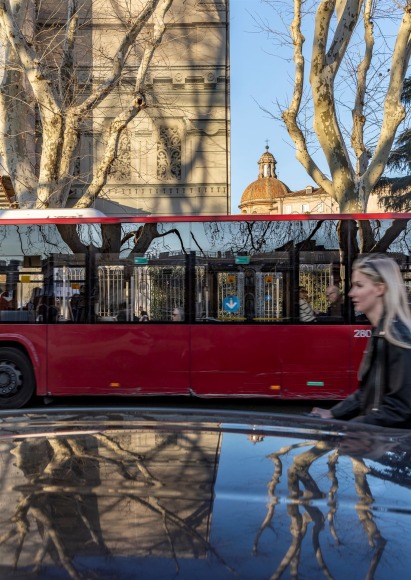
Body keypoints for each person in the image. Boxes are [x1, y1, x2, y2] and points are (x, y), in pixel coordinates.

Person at [311, 254, 411, 428]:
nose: (351, 293)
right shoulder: (381, 331)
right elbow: (367, 392)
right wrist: (333, 413)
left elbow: (400, 409)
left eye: (359, 285)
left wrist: (353, 429)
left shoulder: (397, 336)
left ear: (380, 288)